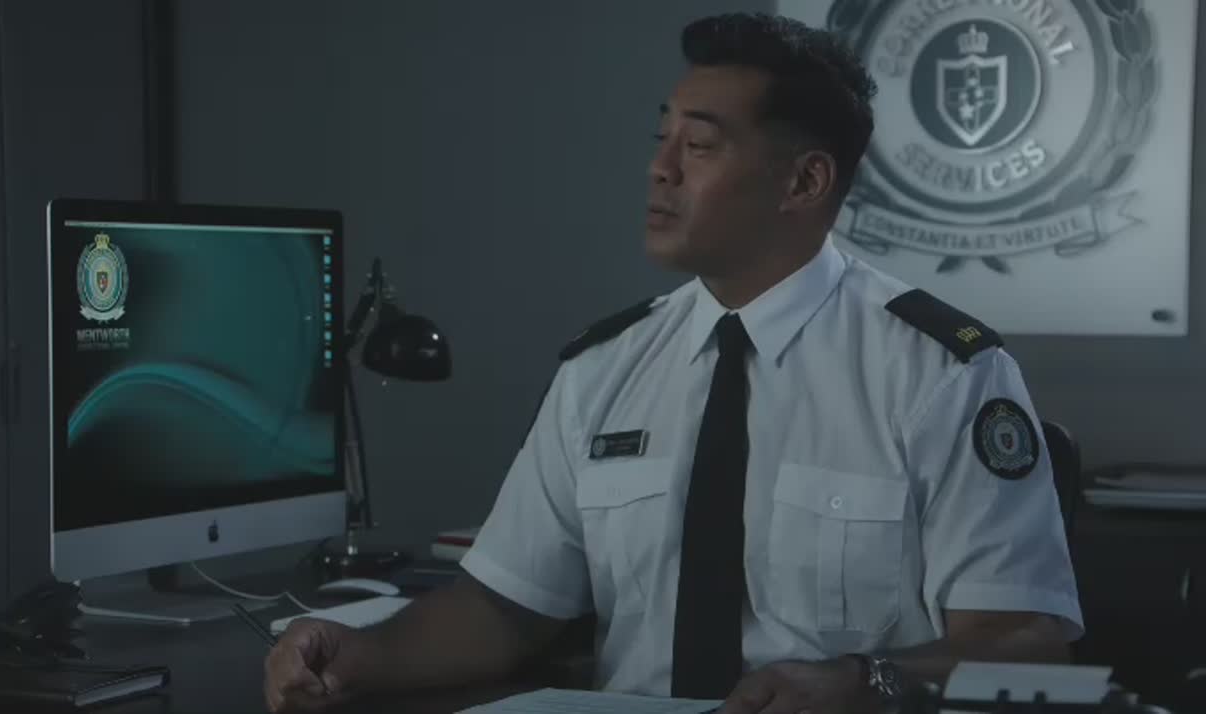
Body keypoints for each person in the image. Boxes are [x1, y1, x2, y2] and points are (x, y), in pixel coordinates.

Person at [264, 12, 1081, 714]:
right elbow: (504, 609)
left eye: (700, 146)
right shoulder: (604, 368)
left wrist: (863, 681)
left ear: (804, 181)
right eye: (663, 139)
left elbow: (1027, 638)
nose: (660, 169)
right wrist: (358, 653)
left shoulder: (941, 373)